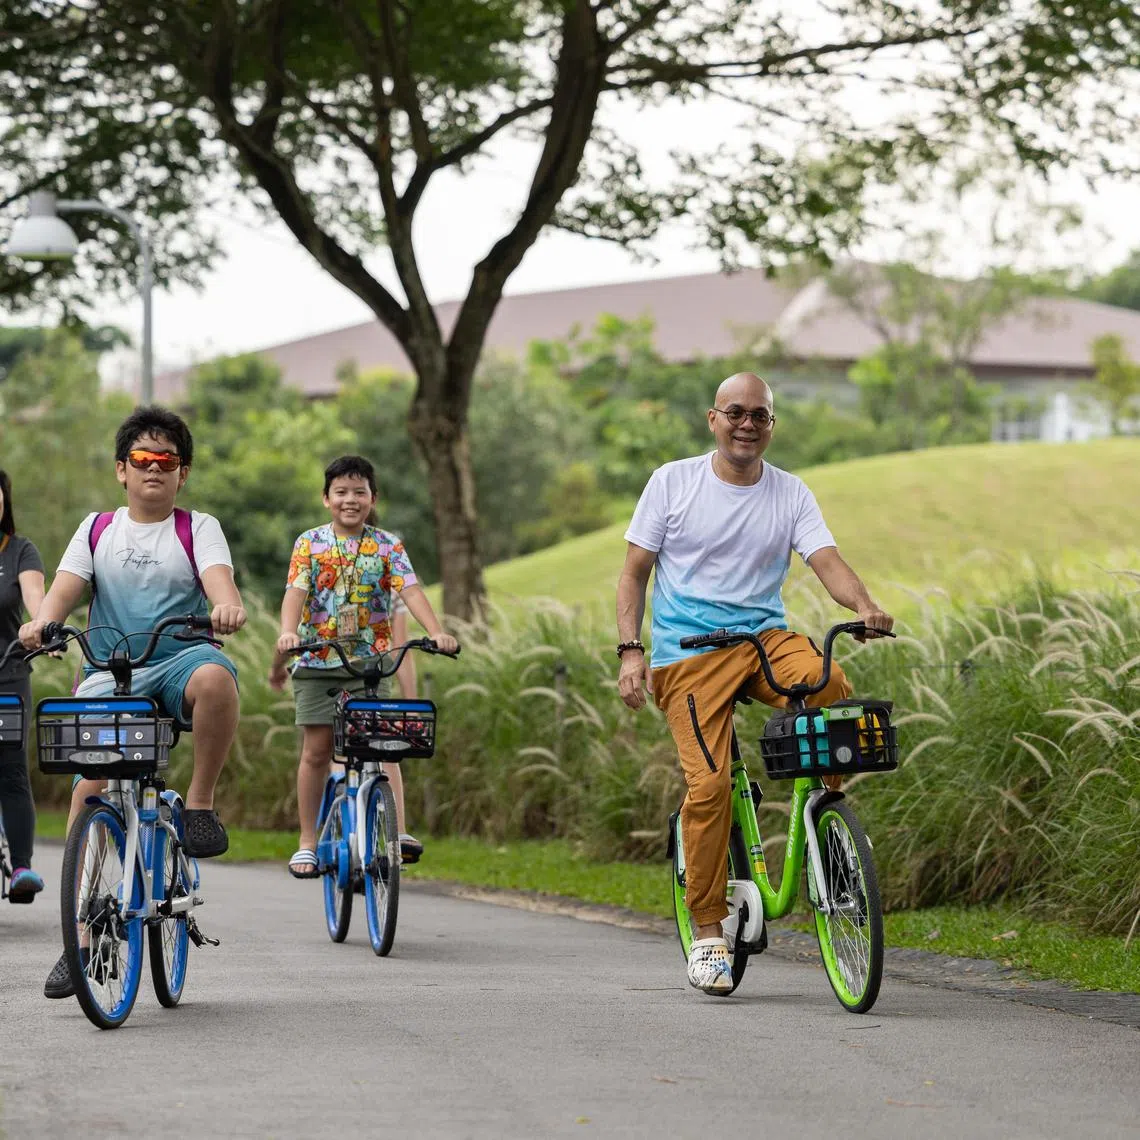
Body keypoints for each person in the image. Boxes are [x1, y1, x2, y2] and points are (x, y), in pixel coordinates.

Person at [615, 373, 893, 995]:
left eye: (760, 416)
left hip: (764, 641)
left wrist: (865, 605)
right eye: (735, 413)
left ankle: (826, 816)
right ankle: (709, 929)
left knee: (829, 681)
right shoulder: (673, 482)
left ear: (772, 424)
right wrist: (633, 652)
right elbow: (634, 573)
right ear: (712, 419)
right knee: (709, 787)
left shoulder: (790, 492)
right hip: (689, 653)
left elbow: (827, 563)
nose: (747, 424)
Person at [20, 406, 247, 997]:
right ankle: (81, 941)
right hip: (108, 671)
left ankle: (198, 806)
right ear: (122, 470)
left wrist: (225, 606)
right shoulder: (97, 529)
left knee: (219, 680)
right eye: (141, 459)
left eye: (165, 460)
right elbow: (62, 594)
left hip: (178, 662)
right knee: (88, 791)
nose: (154, 468)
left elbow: (220, 582)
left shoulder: (198, 528)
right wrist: (43, 623)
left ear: (182, 472)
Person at [269, 455, 457, 879]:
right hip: (318, 661)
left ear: (373, 499)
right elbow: (295, 593)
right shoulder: (310, 543)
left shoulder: (388, 545)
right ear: (326, 498)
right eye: (341, 492)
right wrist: (287, 632)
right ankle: (306, 842)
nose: (350, 500)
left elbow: (410, 590)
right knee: (317, 752)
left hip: (371, 665)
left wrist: (437, 632)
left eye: (359, 492)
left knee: (386, 747)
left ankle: (398, 832)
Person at [0, 469, 47, 903]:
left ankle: (21, 868)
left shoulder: (19, 551)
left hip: (8, 673)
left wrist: (41, 627)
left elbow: (35, 598)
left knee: (11, 768)